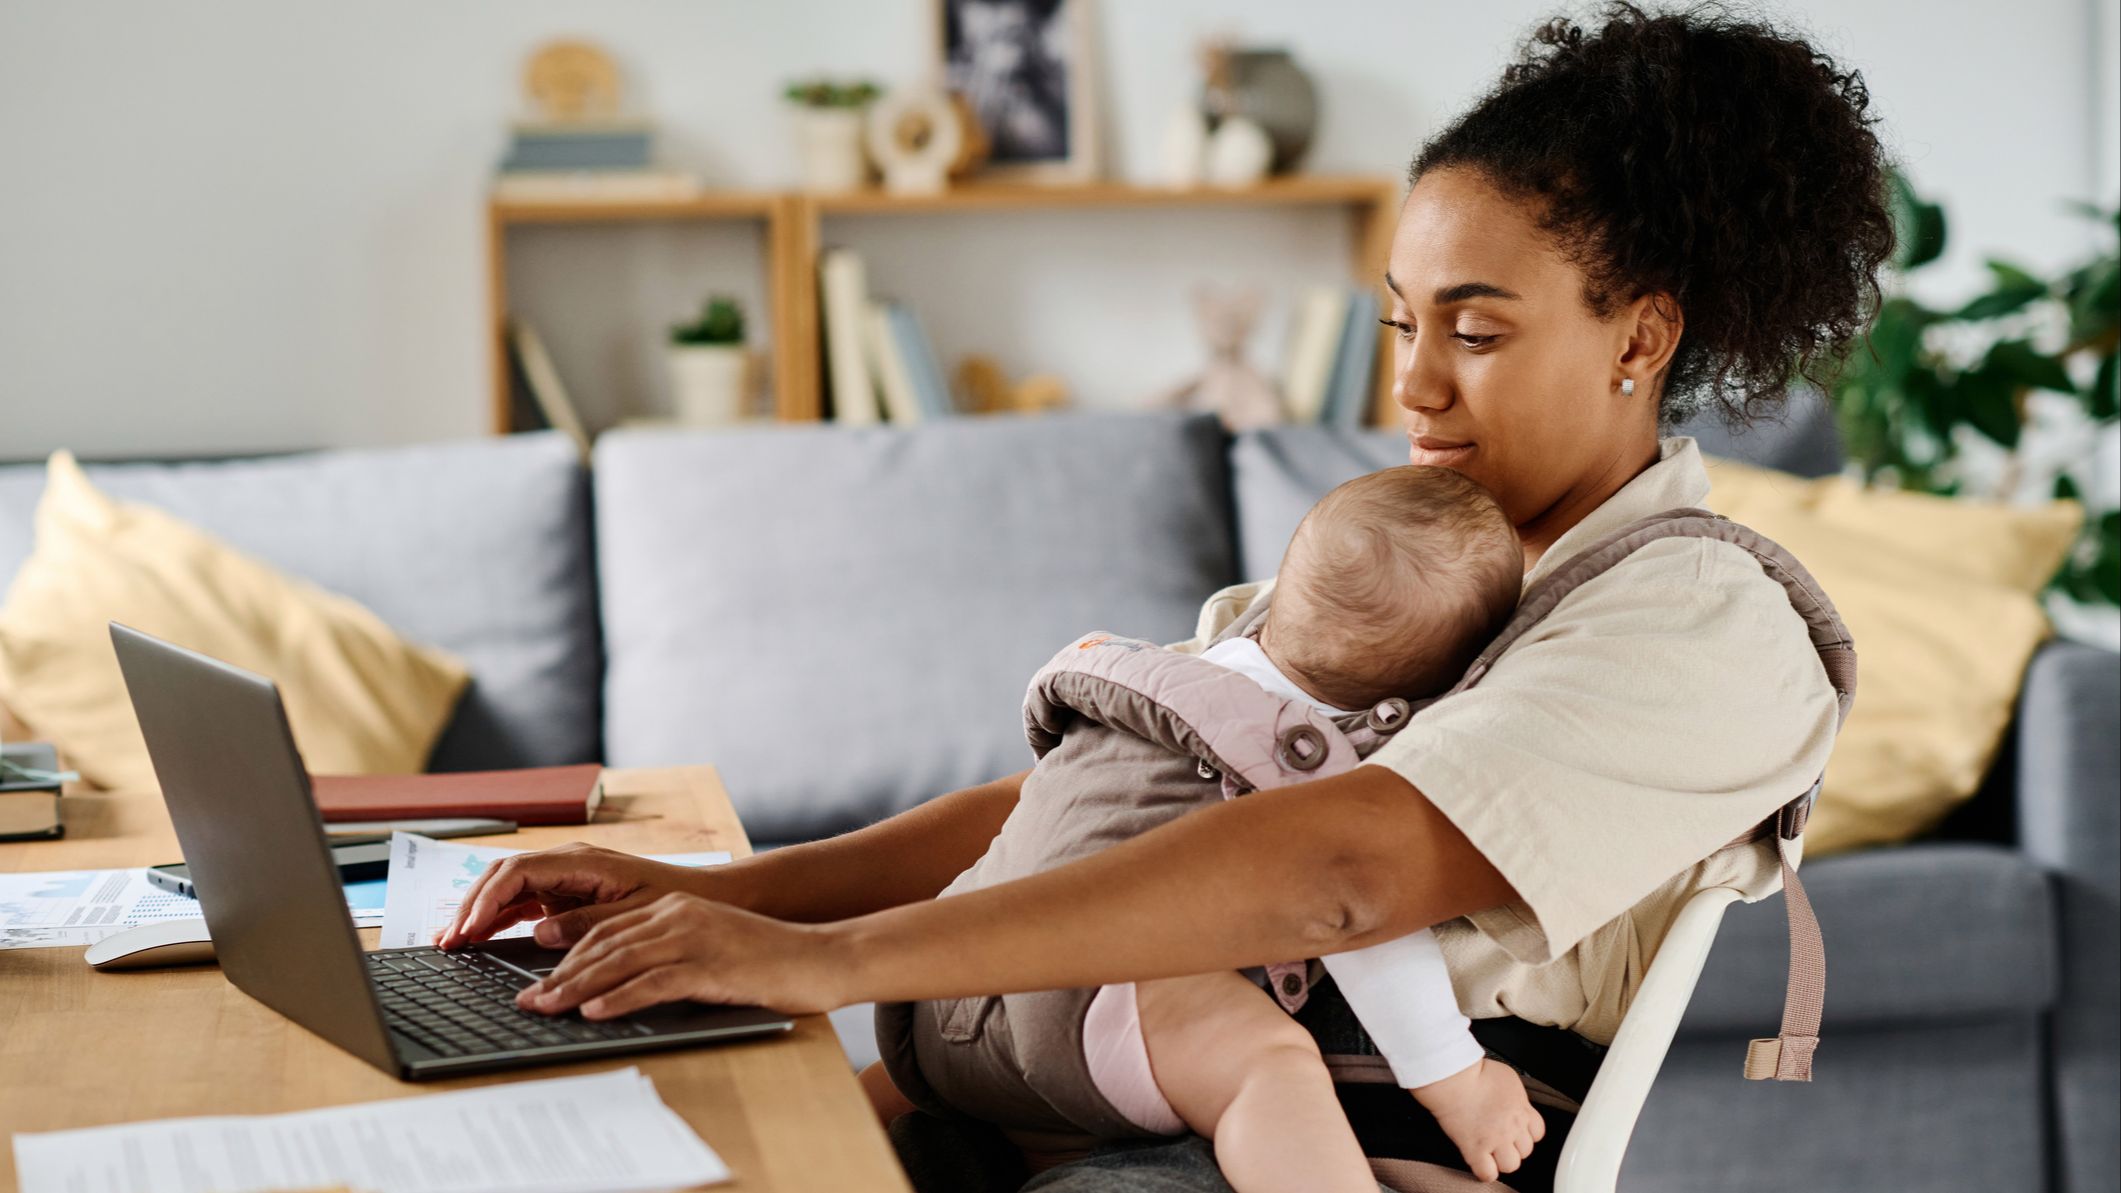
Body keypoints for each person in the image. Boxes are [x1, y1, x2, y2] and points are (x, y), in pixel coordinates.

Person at [440, 4, 1893, 1188]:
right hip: (1105, 1085)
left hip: (1325, 1138)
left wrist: (825, 962)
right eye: (1400, 321)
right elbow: (1096, 805)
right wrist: (709, 893)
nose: (1411, 384)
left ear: (1639, 335)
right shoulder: (1400, 551)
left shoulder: (1702, 621)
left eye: (1476, 329)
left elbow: (1344, 869)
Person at [874, 465, 1539, 1192]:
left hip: (944, 998)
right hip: (1093, 1007)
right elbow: (1361, 926)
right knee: (1268, 1064)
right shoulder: (1308, 764)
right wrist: (1458, 1080)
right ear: (1421, 694)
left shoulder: (1145, 685)